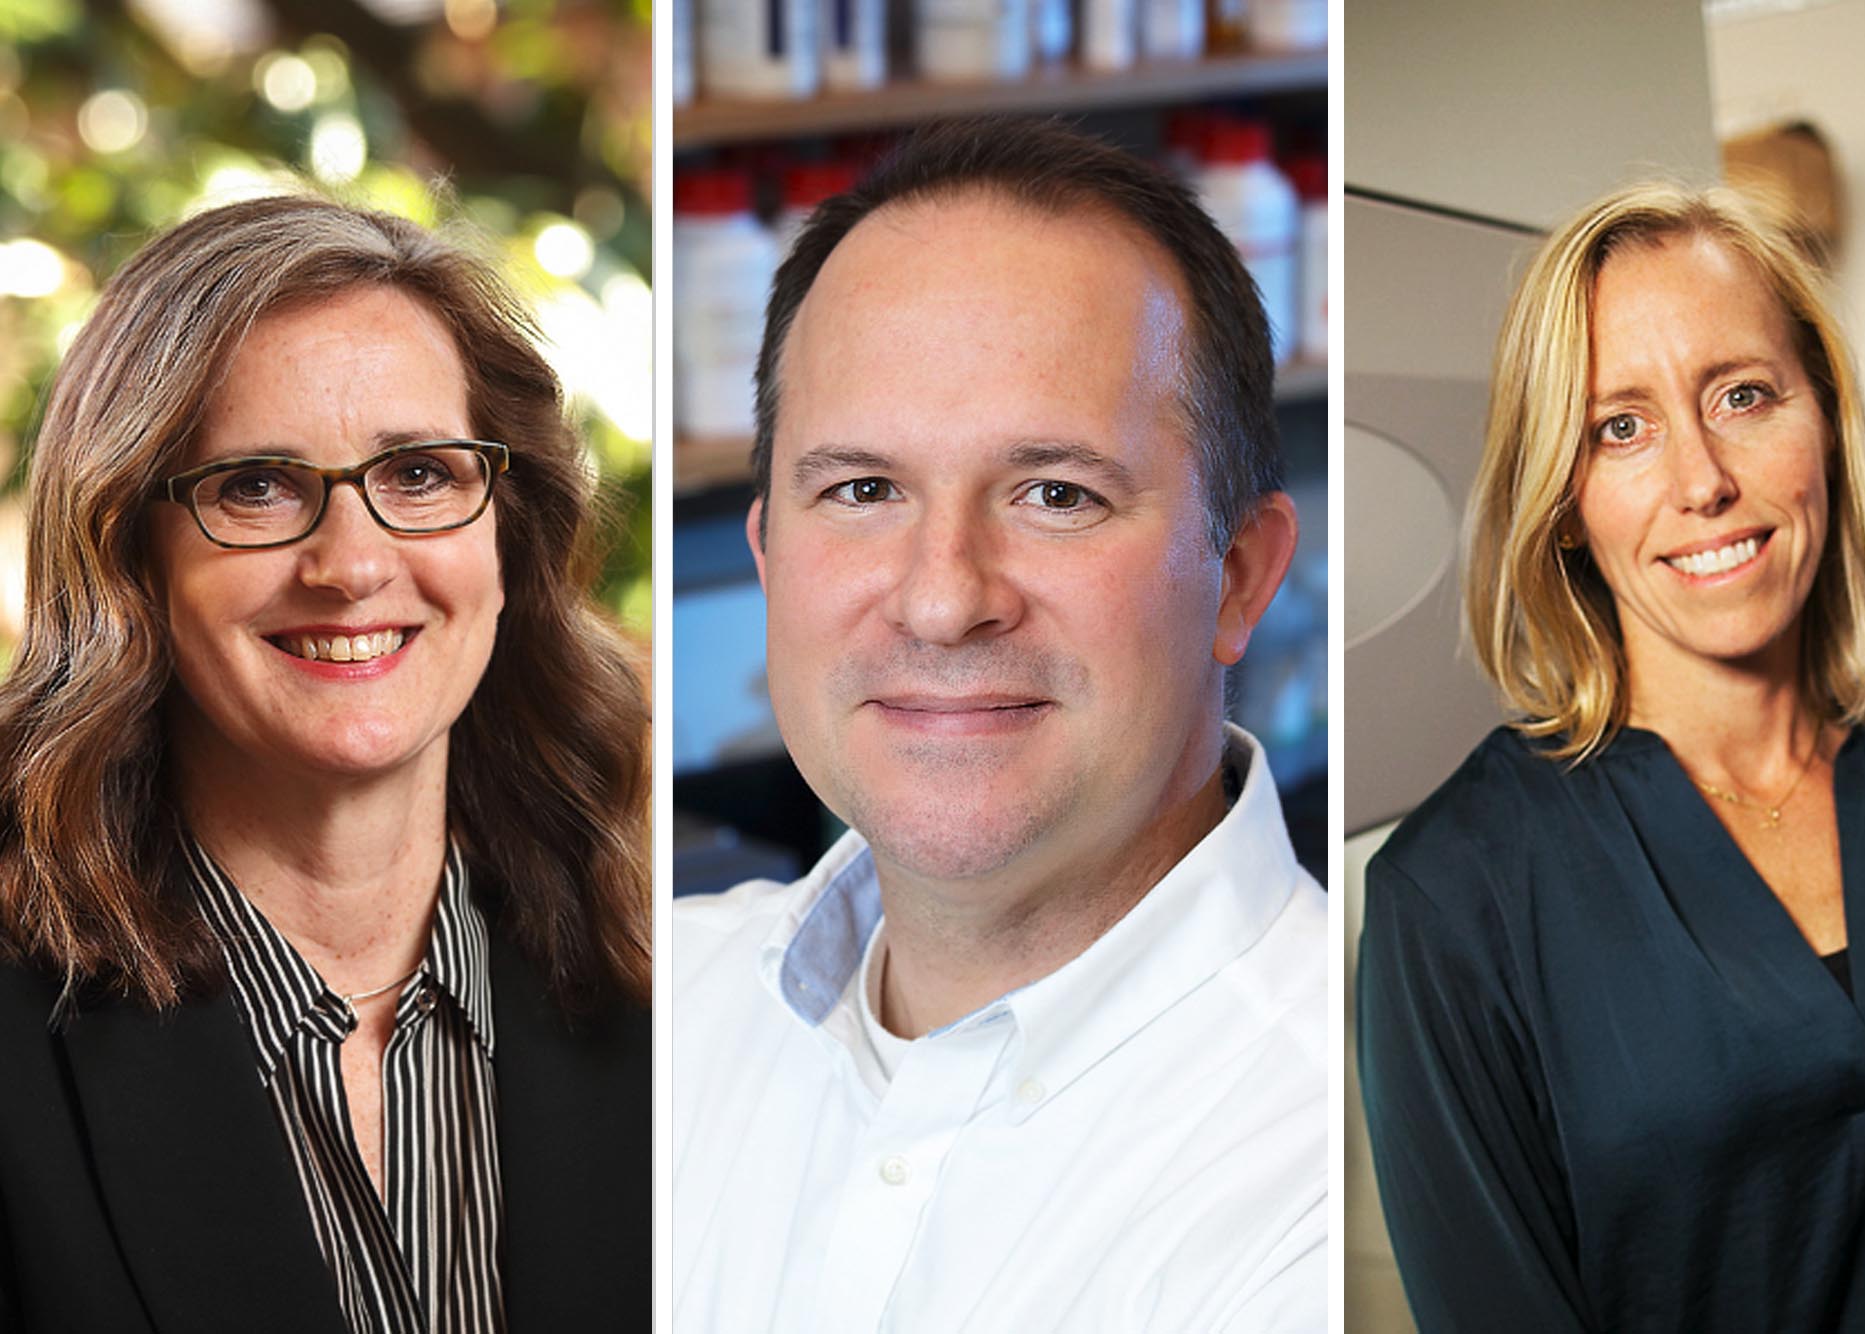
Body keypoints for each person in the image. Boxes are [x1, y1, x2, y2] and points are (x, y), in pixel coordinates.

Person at [672, 119, 1326, 1331]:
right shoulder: (650, 1012)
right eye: (861, 490)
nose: (941, 594)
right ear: (770, 559)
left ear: (1237, 575)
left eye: (1054, 494)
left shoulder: (1331, 1142)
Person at [1357, 180, 1865, 1332]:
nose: (1700, 478)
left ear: (1824, 420)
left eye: (1743, 395)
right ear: (1562, 500)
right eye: (1620, 426)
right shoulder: (1456, 900)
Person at [0, 195, 651, 1332]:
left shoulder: (670, 984)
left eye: (419, 475)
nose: (350, 564)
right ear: (128, 556)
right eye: (255, 484)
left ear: (508, 532)